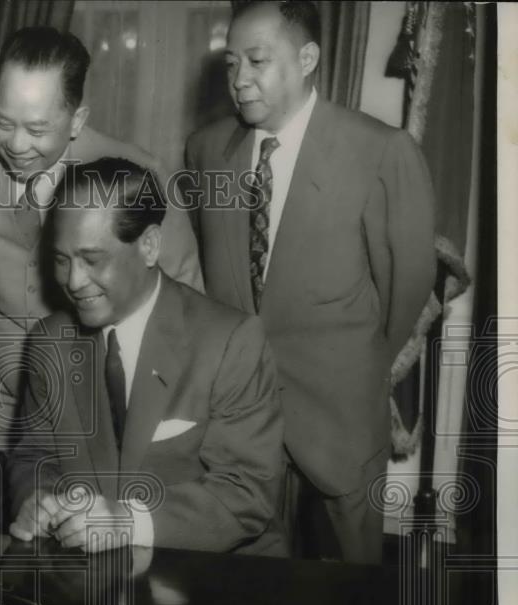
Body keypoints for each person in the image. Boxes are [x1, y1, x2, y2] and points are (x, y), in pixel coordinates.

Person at [184, 1, 436, 563]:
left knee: (354, 590)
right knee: (245, 586)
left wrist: (356, 362)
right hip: (240, 414)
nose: (239, 79)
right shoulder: (204, 152)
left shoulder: (380, 152)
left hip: (340, 411)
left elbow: (407, 286)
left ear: (307, 59)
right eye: (230, 64)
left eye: (256, 60)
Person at [0, 26, 201, 454]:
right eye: (2, 121)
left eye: (36, 129)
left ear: (77, 121)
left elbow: (186, 298)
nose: (15, 145)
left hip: (99, 406)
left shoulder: (139, 175)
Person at [8, 158, 285, 556]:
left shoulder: (231, 342)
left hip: (212, 576)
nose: (72, 282)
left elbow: (248, 491)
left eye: (92, 259)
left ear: (150, 245)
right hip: (91, 579)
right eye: (62, 260)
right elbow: (33, 456)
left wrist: (127, 521)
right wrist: (39, 498)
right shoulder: (49, 342)